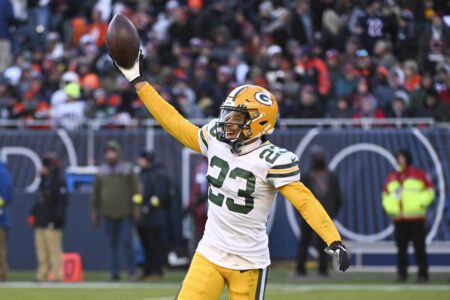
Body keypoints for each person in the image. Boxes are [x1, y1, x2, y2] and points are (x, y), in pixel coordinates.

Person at [115, 53, 349, 299]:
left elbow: (305, 201)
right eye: (228, 115)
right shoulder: (216, 138)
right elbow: (174, 122)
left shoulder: (273, 160)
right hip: (210, 251)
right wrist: (139, 81)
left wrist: (333, 239)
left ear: (259, 123)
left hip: (248, 261)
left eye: (237, 118)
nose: (227, 122)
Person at [91, 140, 141, 281]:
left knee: (127, 242)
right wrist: (95, 210)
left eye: (113, 152)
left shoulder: (127, 169)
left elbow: (136, 190)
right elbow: (95, 192)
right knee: (112, 244)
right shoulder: (101, 171)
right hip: (107, 213)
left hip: (125, 213)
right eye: (108, 152)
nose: (110, 155)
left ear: (118, 153)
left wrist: (135, 208)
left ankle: (132, 272)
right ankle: (114, 273)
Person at [382, 149, 435, 283]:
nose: (400, 160)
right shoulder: (393, 176)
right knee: (401, 249)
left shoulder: (419, 174)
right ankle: (402, 273)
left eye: (402, 157)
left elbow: (430, 191)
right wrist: (391, 208)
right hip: (399, 219)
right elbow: (385, 194)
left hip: (416, 218)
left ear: (407, 158)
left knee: (419, 248)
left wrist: (420, 204)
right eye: (399, 157)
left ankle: (422, 274)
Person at [296, 146, 342, 276]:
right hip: (312, 216)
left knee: (319, 243)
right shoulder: (310, 175)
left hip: (318, 215)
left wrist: (332, 214)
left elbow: (337, 197)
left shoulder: (326, 175)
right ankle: (309, 269)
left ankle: (314, 269)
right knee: (307, 242)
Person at [28, 154, 68, 282]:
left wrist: (56, 220)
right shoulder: (43, 181)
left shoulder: (59, 181)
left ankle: (57, 275)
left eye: (44, 167)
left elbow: (62, 203)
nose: (42, 169)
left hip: (52, 223)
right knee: (41, 251)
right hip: (41, 221)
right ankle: (41, 275)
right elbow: (39, 201)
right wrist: (33, 214)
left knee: (54, 250)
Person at [135, 150, 170, 280]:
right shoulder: (141, 173)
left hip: (155, 217)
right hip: (143, 218)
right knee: (146, 245)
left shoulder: (159, 173)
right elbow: (139, 192)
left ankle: (157, 271)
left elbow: (161, 194)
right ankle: (147, 270)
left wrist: (148, 206)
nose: (140, 162)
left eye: (142, 159)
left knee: (155, 245)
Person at [0, 158, 12, 281]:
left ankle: (2, 274)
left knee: (0, 248)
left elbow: (6, 194)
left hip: (1, 218)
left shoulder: (2, 172)